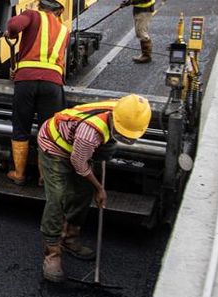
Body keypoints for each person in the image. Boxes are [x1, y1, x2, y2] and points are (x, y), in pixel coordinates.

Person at [36, 94, 151, 283]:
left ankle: (69, 237)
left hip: (76, 146)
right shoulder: (89, 133)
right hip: (54, 145)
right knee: (57, 196)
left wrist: (105, 151)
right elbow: (79, 163)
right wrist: (99, 188)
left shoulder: (125, 110)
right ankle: (52, 253)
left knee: (83, 192)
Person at [3, 0, 69, 186]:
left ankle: (19, 174)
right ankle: (44, 176)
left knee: (21, 126)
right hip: (52, 84)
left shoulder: (32, 15)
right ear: (59, 10)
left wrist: (11, 33)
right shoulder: (65, 30)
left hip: (26, 82)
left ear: (41, 4)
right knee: (48, 130)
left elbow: (13, 25)